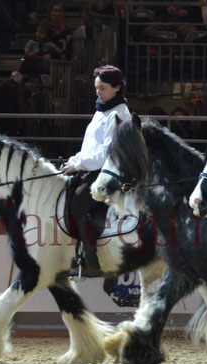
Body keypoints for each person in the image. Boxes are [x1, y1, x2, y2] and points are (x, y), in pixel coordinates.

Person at [60, 65, 131, 274]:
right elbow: (90, 146)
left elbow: (106, 152)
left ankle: (91, 259)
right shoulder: (102, 108)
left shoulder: (119, 113)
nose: (98, 92)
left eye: (103, 88)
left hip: (110, 170)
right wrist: (74, 161)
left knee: (79, 201)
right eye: (97, 88)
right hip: (94, 167)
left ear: (117, 88)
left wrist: (80, 165)